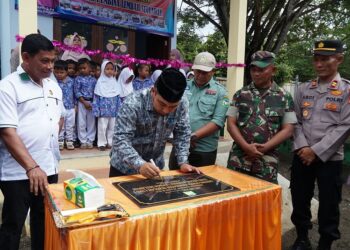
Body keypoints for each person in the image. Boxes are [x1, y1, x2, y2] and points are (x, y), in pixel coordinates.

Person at [0, 33, 65, 250]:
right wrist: (31, 166)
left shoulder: (53, 86)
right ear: (26, 58)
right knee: (13, 226)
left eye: (53, 61)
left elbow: (60, 117)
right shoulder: (8, 87)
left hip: (48, 168)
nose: (50, 66)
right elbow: (7, 131)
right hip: (18, 172)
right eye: (44, 61)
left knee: (44, 224)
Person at [290, 40, 350, 250]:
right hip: (301, 154)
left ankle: (326, 242)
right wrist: (303, 148)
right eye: (316, 59)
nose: (319, 64)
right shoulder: (304, 88)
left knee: (329, 203)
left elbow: (345, 126)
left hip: (330, 159)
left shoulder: (346, 90)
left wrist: (315, 151)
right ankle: (302, 237)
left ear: (339, 59)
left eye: (325, 59)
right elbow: (294, 120)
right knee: (299, 197)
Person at [109, 68, 200, 178]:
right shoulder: (133, 103)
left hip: (156, 168)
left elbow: (182, 132)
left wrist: (183, 162)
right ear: (153, 91)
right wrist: (140, 164)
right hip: (125, 169)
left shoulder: (182, 103)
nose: (166, 110)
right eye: (162, 104)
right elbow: (120, 139)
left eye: (172, 107)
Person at [226, 51, 296, 183]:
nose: (256, 73)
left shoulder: (284, 97)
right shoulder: (240, 94)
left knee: (262, 201)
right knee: (234, 199)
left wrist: (263, 149)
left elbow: (289, 129)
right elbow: (230, 123)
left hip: (267, 162)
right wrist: (246, 147)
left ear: (273, 70)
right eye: (253, 69)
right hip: (239, 158)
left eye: (262, 69)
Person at [169, 52, 229, 169]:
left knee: (201, 185)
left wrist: (193, 136)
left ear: (213, 71)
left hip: (203, 150)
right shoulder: (183, 86)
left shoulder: (221, 93)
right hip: (179, 146)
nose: (200, 75)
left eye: (205, 72)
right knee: (173, 183)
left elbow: (218, 121)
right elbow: (171, 111)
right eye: (198, 71)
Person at [93, 60, 120, 151]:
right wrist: (96, 110)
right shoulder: (100, 82)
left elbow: (117, 97)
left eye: (112, 69)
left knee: (112, 127)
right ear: (103, 70)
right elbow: (96, 97)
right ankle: (101, 143)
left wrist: (118, 109)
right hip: (103, 110)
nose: (109, 71)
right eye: (107, 69)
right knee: (102, 127)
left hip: (113, 110)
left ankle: (110, 142)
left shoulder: (115, 82)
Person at [74, 58, 97, 149]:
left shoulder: (94, 80)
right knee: (81, 122)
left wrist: (93, 103)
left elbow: (96, 92)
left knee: (91, 122)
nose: (82, 70)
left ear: (90, 68)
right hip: (82, 102)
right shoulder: (78, 79)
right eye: (80, 68)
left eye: (84, 68)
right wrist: (84, 102)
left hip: (92, 103)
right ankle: (83, 141)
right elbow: (77, 91)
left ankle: (90, 140)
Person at [54, 60, 76, 150]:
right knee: (61, 125)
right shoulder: (54, 82)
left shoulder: (72, 81)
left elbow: (75, 93)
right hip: (59, 107)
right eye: (57, 72)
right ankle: (60, 140)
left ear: (66, 72)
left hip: (70, 107)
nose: (59, 74)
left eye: (62, 72)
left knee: (70, 125)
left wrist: (76, 105)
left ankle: (69, 140)